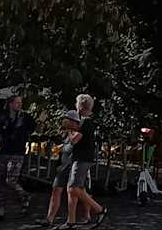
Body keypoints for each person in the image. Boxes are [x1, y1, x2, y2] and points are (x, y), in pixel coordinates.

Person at [60, 94, 108, 230]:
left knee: (74, 188)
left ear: (80, 106)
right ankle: (70, 221)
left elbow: (75, 139)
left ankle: (99, 209)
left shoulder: (86, 122)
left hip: (83, 159)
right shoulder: (84, 121)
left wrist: (69, 129)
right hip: (80, 158)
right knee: (72, 189)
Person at [0, 94, 34, 219]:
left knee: (10, 180)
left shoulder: (25, 117)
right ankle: (0, 207)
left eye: (20, 102)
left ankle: (24, 195)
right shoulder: (3, 117)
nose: (20, 105)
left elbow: (33, 128)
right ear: (10, 104)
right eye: (17, 102)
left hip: (17, 153)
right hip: (3, 151)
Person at [36, 111, 81, 227]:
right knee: (56, 190)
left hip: (72, 166)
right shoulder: (66, 133)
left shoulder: (77, 133)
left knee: (76, 193)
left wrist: (62, 151)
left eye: (66, 119)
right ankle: (49, 219)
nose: (64, 121)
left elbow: (72, 150)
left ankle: (78, 219)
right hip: (63, 166)